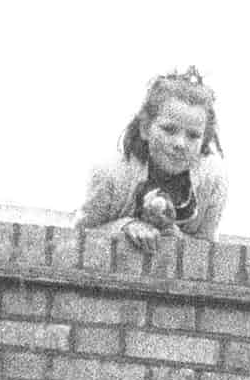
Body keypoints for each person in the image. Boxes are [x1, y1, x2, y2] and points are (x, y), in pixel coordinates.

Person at [77, 67, 226, 252]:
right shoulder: (110, 174)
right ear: (146, 128)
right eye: (169, 130)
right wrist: (125, 226)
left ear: (204, 140)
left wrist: (179, 240)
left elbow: (209, 250)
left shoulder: (212, 180)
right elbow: (78, 236)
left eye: (193, 135)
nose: (180, 143)